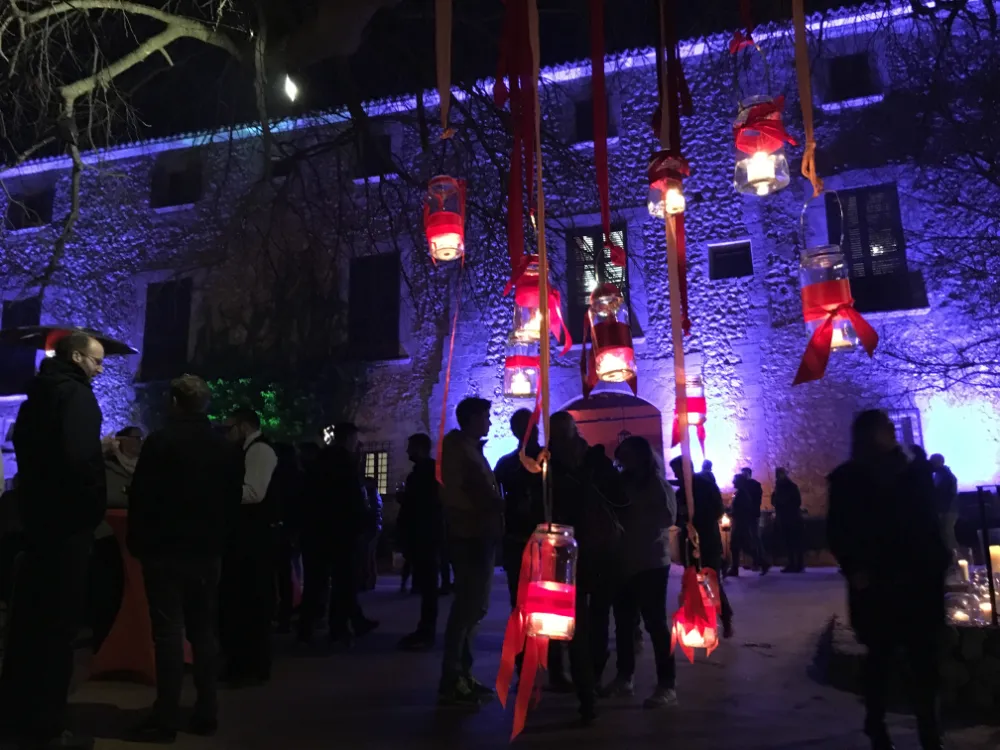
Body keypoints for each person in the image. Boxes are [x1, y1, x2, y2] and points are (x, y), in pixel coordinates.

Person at [0, 332, 106, 750]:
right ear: (77, 357)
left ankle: (17, 712)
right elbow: (80, 461)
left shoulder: (36, 397)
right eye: (96, 361)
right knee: (58, 629)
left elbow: (31, 452)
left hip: (38, 523)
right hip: (68, 529)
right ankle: (46, 722)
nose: (100, 369)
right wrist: (90, 507)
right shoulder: (77, 397)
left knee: (30, 624)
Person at [126, 375, 243, 742]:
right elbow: (231, 501)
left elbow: (142, 497)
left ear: (175, 401)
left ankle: (165, 715)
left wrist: (139, 542)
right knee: (203, 630)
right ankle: (207, 711)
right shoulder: (224, 447)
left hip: (165, 550)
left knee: (168, 633)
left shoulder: (161, 442)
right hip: (207, 551)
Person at [827, 410, 948, 750]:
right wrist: (856, 569)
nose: (892, 432)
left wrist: (939, 560)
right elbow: (840, 532)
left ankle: (929, 730)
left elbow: (927, 520)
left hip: (919, 581)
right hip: (878, 585)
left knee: (924, 660)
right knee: (881, 659)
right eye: (885, 428)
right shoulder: (848, 480)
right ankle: (876, 726)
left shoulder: (913, 473)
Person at [547, 411, 625, 725]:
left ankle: (590, 681)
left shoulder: (591, 464)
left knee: (596, 617)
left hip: (597, 549)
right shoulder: (549, 466)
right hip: (569, 552)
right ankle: (586, 690)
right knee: (579, 622)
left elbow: (619, 499)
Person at [598, 437, 677, 708]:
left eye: (629, 457)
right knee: (623, 622)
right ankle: (624, 676)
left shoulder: (656, 485)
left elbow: (667, 518)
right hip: (623, 561)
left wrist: (636, 513)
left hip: (651, 562)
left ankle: (667, 684)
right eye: (622, 458)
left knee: (655, 624)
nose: (625, 463)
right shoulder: (621, 484)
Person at [494, 409, 570, 690]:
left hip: (549, 541)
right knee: (522, 604)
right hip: (518, 541)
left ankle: (557, 668)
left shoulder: (552, 459)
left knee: (554, 604)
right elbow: (498, 498)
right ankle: (524, 663)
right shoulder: (507, 465)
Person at [438, 398, 503, 706]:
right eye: (486, 417)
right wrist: (487, 508)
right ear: (472, 418)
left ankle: (463, 673)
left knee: (475, 608)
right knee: (467, 608)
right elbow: (455, 495)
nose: (489, 422)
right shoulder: (457, 449)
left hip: (482, 535)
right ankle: (452, 678)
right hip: (470, 537)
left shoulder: (470, 449)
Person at [298, 423, 378, 645]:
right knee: (344, 582)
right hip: (342, 532)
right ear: (349, 438)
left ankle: (306, 628)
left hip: (317, 531)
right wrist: (361, 523)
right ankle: (338, 628)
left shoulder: (320, 462)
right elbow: (352, 500)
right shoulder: (345, 464)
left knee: (316, 583)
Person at [220, 408, 278, 685]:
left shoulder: (259, 451)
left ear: (243, 427)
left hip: (253, 541)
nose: (226, 433)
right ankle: (243, 664)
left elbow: (254, 492)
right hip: (246, 539)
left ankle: (250, 667)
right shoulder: (251, 450)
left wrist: (215, 493)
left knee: (251, 603)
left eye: (228, 427)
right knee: (243, 603)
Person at [89, 426, 143, 653]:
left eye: (139, 439)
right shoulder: (105, 467)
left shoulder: (144, 468)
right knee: (108, 590)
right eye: (132, 439)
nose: (136, 443)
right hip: (107, 537)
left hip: (137, 539)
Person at [671, 455, 733, 639]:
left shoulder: (705, 486)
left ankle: (725, 619)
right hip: (690, 544)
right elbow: (676, 517)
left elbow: (718, 510)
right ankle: (700, 622)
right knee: (692, 583)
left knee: (711, 581)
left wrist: (697, 517)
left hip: (707, 541)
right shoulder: (681, 492)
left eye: (678, 472)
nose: (677, 476)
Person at [397, 434, 443, 650]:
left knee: (428, 585)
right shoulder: (428, 471)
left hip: (425, 535)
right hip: (427, 534)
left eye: (410, 447)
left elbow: (420, 505)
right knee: (427, 585)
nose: (407, 452)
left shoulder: (424, 473)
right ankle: (426, 628)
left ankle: (427, 630)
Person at [271, 442, 305, 634]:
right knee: (289, 574)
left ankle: (281, 613)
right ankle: (287, 611)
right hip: (293, 530)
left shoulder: (277, 476)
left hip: (280, 530)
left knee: (280, 574)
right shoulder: (299, 476)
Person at [729, 468, 769, 576]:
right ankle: (759, 562)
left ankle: (761, 562)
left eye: (734, 480)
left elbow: (744, 508)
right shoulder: (741, 492)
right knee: (738, 545)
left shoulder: (743, 492)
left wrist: (733, 512)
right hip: (742, 522)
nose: (733, 482)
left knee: (745, 544)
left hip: (743, 522)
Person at [771, 467, 805, 573]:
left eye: (779, 474)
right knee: (790, 542)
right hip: (786, 517)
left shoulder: (789, 487)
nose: (777, 476)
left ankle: (797, 564)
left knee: (794, 542)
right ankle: (794, 564)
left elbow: (796, 502)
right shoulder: (781, 487)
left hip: (791, 517)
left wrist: (782, 504)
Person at [929, 453, 959, 556]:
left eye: (933, 462)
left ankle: (956, 559)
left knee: (948, 535)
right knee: (947, 535)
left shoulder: (944, 476)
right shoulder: (944, 474)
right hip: (948, 509)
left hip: (947, 510)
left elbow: (945, 493)